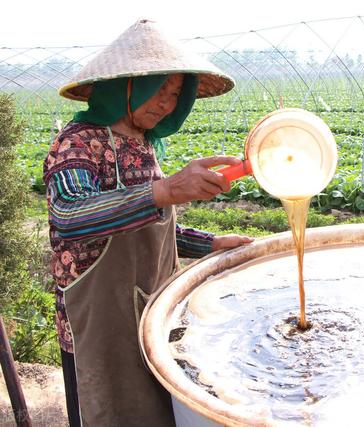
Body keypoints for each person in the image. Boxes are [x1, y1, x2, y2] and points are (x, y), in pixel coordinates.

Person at [43, 19, 252, 426]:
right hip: (99, 323)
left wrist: (210, 244)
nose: (165, 104)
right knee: (106, 410)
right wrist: (166, 190)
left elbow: (148, 226)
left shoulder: (142, 143)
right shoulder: (78, 142)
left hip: (150, 308)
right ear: (126, 87)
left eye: (175, 94)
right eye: (157, 91)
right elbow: (68, 215)